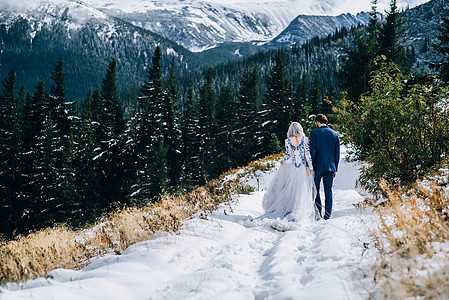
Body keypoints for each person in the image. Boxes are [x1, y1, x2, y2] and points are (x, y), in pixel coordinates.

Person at [259, 122, 316, 222]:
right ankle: (298, 208)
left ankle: (289, 208)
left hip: (293, 168)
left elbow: (288, 155)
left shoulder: (288, 141)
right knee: (301, 190)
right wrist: (310, 166)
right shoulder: (305, 139)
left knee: (290, 190)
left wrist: (283, 161)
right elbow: (307, 154)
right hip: (302, 168)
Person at [310, 114, 340, 220]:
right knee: (328, 191)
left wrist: (310, 165)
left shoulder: (314, 133)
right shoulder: (335, 134)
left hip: (317, 166)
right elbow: (337, 154)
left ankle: (318, 212)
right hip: (331, 167)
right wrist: (335, 168)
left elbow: (313, 151)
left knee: (316, 189)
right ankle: (327, 216)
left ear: (317, 122)